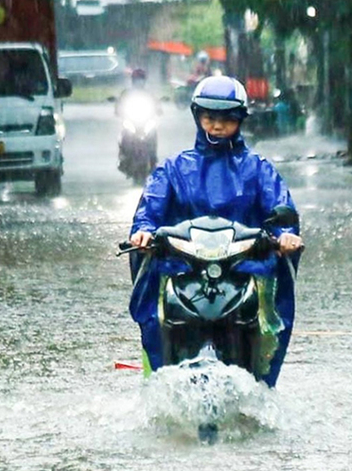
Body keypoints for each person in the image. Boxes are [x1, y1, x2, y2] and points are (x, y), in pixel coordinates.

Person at [128, 75, 304, 385]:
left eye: (227, 119)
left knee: (269, 319)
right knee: (156, 312)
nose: (217, 126)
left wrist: (286, 235)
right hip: (184, 272)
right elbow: (150, 210)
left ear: (241, 120)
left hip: (244, 272)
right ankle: (158, 370)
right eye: (210, 118)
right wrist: (143, 232)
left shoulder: (258, 169)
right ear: (197, 117)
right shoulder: (173, 169)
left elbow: (280, 208)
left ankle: (261, 379)